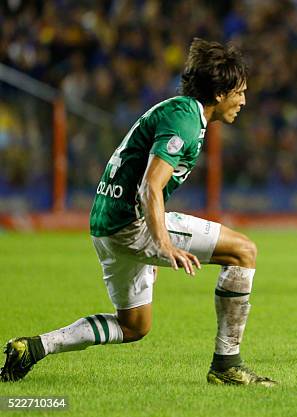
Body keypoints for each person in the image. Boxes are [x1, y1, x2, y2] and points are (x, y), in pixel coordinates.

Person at [1, 39, 277, 386]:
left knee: (134, 326)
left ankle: (33, 348)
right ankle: (227, 365)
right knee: (243, 252)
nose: (244, 101)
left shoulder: (179, 111)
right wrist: (161, 243)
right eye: (240, 92)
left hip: (105, 224)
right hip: (130, 225)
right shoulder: (186, 122)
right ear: (220, 93)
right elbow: (151, 186)